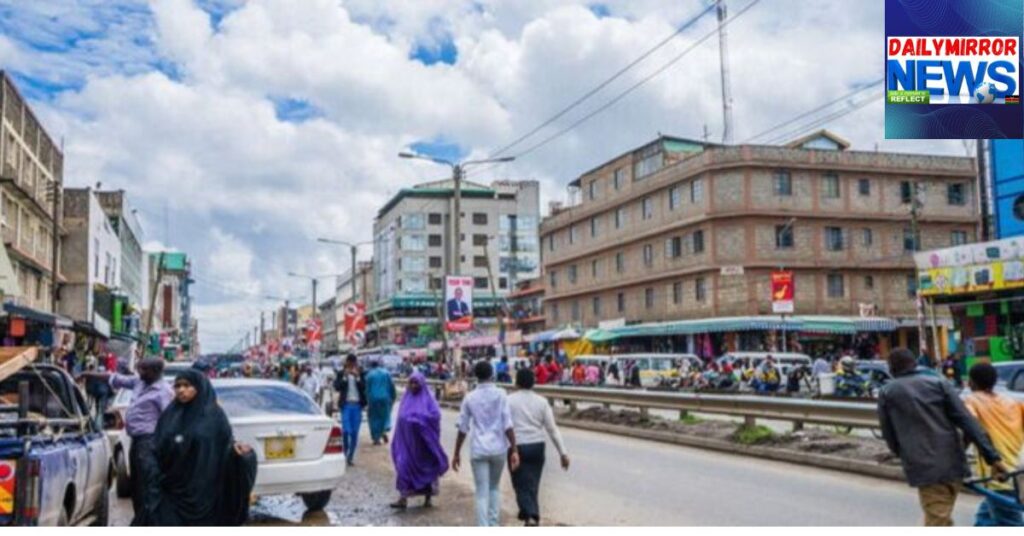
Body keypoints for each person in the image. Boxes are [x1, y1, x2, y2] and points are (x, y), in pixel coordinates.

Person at [877, 348, 1008, 527]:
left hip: (926, 468)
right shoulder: (939, 383)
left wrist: (905, 454)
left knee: (937, 521)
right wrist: (992, 458)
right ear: (915, 364)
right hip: (955, 463)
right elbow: (968, 422)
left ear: (891, 369)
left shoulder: (887, 392)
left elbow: (889, 434)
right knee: (939, 518)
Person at [147, 369, 257, 526]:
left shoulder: (215, 417)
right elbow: (157, 445)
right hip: (173, 490)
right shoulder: (170, 415)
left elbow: (223, 448)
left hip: (205, 493)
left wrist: (240, 455)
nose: (181, 390)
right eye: (177, 386)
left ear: (199, 387)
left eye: (187, 385)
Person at [82, 358, 174, 525]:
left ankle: (150, 521)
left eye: (143, 370)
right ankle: (141, 519)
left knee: (148, 485)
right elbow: (115, 378)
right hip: (137, 441)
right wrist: (88, 374)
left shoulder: (164, 391)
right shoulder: (139, 382)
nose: (139, 373)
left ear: (155, 372)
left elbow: (169, 420)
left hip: (150, 442)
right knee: (137, 485)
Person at [452, 361, 520, 527]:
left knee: (481, 492)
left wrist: (456, 453)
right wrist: (515, 450)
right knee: (494, 487)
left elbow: (463, 428)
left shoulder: (470, 397)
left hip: (479, 450)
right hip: (499, 449)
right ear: (492, 375)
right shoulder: (502, 394)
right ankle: (493, 524)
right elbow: (508, 424)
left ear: (476, 376)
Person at [962, 363, 1024, 526]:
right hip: (1017, 471)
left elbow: (972, 429)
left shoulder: (972, 402)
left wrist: (957, 455)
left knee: (1010, 523)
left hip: (998, 475)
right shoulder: (1013, 402)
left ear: (971, 382)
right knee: (985, 519)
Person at [508, 369, 569, 526]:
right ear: (533, 383)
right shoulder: (542, 402)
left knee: (520, 484)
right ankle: (531, 515)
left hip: (517, 448)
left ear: (517, 383)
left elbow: (504, 426)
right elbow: (552, 430)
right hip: (537, 447)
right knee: (533, 484)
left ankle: (531, 517)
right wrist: (563, 453)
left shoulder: (509, 401)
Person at [389, 372, 449, 509]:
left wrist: (419, 420)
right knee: (403, 466)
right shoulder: (406, 399)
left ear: (422, 384)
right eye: (411, 382)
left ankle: (428, 499)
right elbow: (400, 419)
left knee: (427, 468)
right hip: (407, 444)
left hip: (423, 445)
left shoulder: (429, 400)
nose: (414, 385)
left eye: (416, 383)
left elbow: (435, 417)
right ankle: (403, 498)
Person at [333, 354, 367, 465]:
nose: (352, 365)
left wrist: (357, 377)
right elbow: (337, 387)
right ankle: (345, 451)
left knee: (354, 433)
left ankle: (350, 456)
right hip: (346, 406)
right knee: (346, 431)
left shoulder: (361, 373)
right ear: (346, 363)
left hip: (357, 406)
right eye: (350, 363)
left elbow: (364, 387)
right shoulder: (341, 373)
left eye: (353, 363)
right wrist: (344, 377)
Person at [366, 360, 397, 445]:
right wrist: (394, 397)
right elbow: (391, 386)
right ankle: (383, 430)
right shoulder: (386, 373)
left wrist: (366, 401)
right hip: (385, 398)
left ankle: (376, 438)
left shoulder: (369, 375)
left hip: (373, 399)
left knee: (374, 418)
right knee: (385, 416)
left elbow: (367, 389)